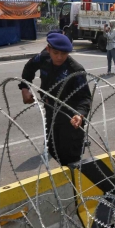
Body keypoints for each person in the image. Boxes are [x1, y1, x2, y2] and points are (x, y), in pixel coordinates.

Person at [19, 32, 92, 166]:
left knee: (71, 157)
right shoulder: (43, 57)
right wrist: (25, 87)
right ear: (48, 49)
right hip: (51, 111)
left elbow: (85, 98)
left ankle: (75, 184)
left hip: (70, 117)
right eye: (55, 53)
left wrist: (79, 115)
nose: (59, 57)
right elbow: (29, 68)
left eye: (63, 54)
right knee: (53, 148)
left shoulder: (75, 70)